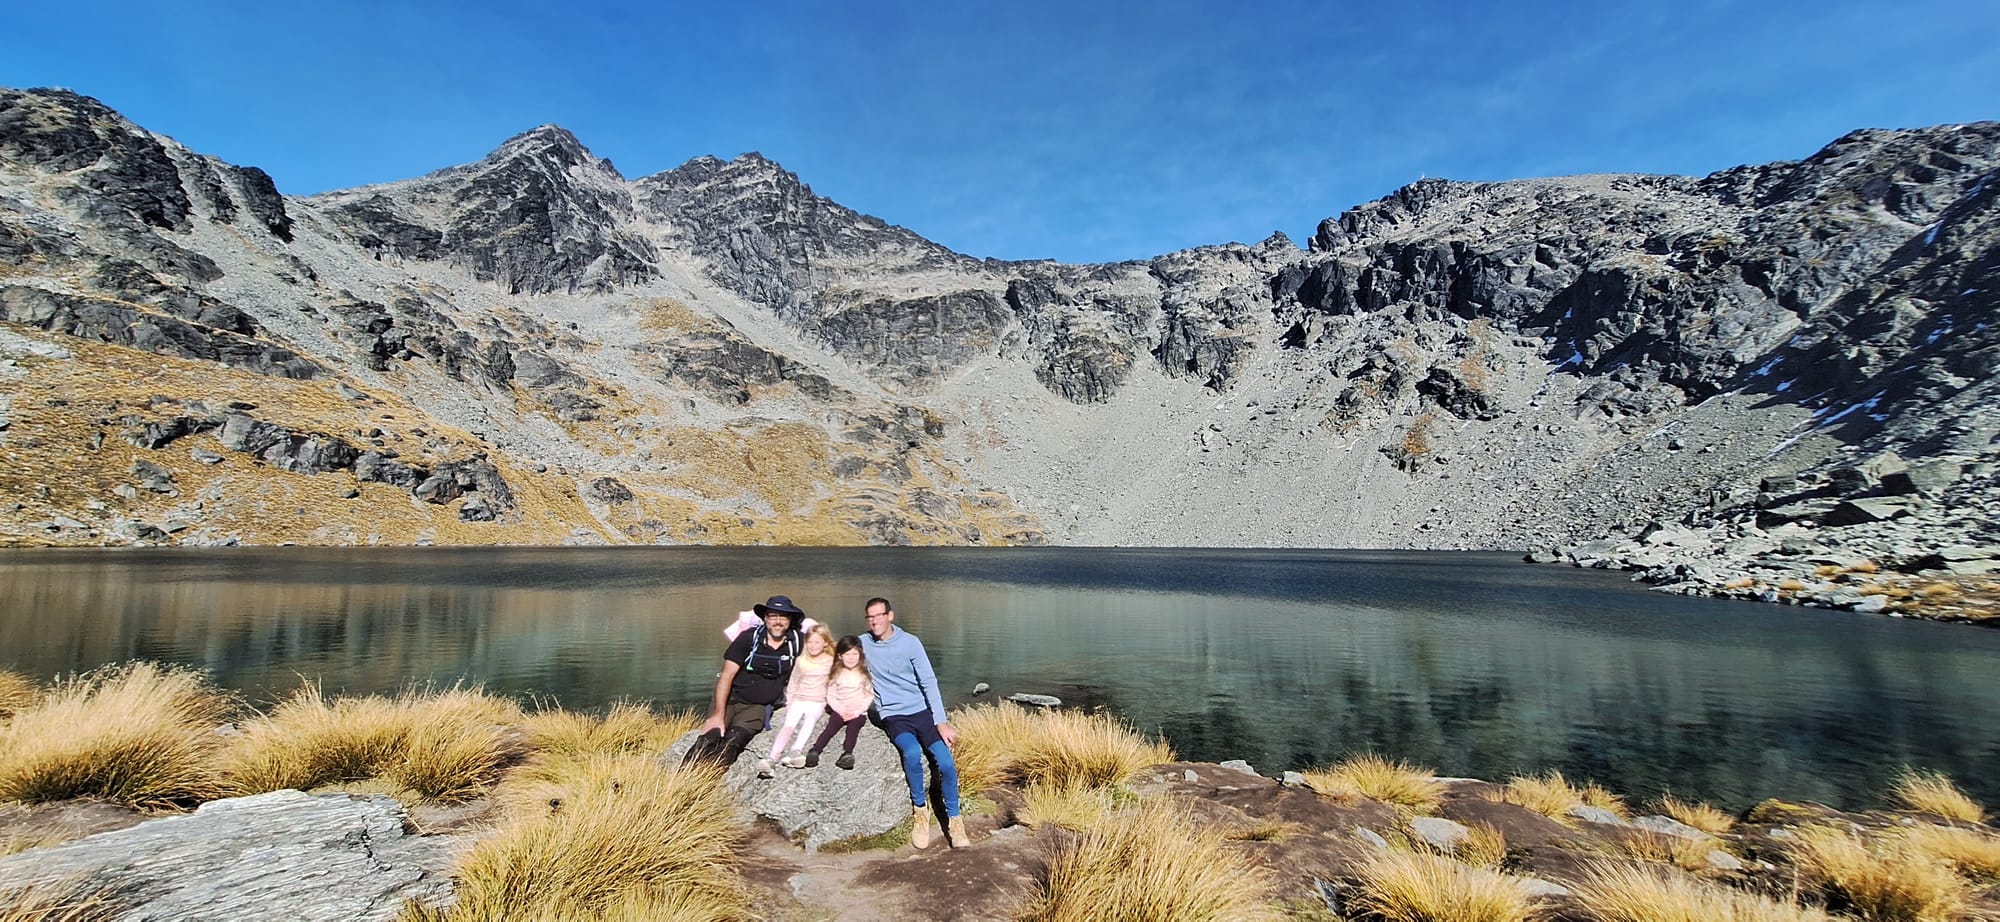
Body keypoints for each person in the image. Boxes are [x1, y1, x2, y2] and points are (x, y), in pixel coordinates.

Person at [861, 596, 969, 849]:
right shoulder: (862, 643)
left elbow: (929, 682)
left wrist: (940, 721)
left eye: (879, 615)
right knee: (911, 753)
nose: (874, 621)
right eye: (870, 617)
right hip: (893, 716)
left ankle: (955, 819)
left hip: (922, 713)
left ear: (890, 616)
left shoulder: (910, 643)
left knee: (946, 763)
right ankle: (920, 811)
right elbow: (834, 657)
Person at [686, 595, 805, 768]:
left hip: (757, 707)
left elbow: (822, 662)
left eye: (783, 616)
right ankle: (680, 779)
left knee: (734, 740)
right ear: (765, 618)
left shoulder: (798, 642)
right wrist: (718, 715)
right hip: (730, 700)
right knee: (709, 738)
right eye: (773, 616)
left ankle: (708, 782)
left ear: (790, 619)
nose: (778, 621)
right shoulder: (748, 638)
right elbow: (726, 676)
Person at [760, 624, 835, 777]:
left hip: (818, 701)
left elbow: (834, 683)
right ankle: (772, 759)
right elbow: (794, 681)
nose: (813, 646)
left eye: (817, 642)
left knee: (810, 721)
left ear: (825, 643)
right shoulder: (802, 660)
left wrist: (832, 702)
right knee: (788, 726)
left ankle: (795, 751)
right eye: (810, 642)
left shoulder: (830, 661)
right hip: (799, 699)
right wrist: (790, 701)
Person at [801, 634, 874, 769]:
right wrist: (840, 710)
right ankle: (815, 750)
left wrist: (858, 711)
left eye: (854, 654)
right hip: (840, 709)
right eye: (847, 654)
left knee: (853, 728)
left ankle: (847, 753)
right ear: (840, 656)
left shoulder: (864, 674)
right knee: (831, 728)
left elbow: (868, 695)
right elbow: (831, 695)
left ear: (860, 655)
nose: (851, 658)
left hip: (858, 711)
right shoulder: (836, 673)